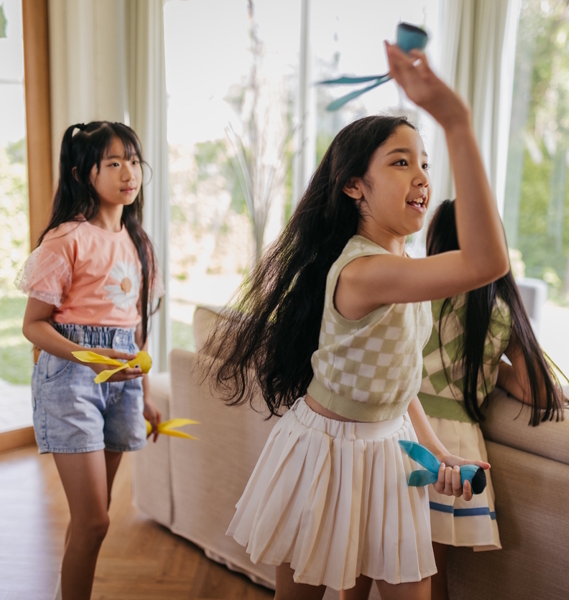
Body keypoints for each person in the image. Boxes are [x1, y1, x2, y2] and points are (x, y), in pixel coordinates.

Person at [203, 42, 509, 600]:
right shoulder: (367, 272)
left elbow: (399, 380)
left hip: (390, 448)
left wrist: (437, 451)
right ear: (353, 185)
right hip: (324, 453)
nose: (421, 175)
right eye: (400, 162)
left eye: (424, 162)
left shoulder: (401, 265)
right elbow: (487, 262)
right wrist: (456, 122)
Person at [18, 121, 164, 600]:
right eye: (114, 162)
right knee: (95, 520)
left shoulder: (139, 243)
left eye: (134, 161)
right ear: (84, 173)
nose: (129, 172)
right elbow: (33, 325)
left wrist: (143, 393)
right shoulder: (66, 240)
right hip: (71, 381)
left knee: (90, 521)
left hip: (122, 382)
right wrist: (88, 354)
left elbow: (135, 328)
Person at [418, 198, 569, 600]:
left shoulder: (415, 290)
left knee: (382, 565)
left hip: (408, 433)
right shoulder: (498, 309)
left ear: (437, 242)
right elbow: (539, 392)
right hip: (458, 447)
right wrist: (491, 368)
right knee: (433, 573)